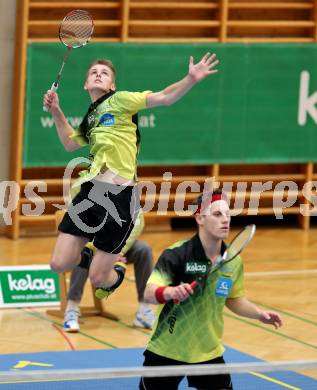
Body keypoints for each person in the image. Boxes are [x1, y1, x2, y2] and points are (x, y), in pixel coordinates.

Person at [43, 52, 219, 300]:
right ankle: (94, 256)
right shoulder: (92, 117)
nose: (98, 74)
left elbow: (165, 97)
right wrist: (56, 110)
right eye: (93, 72)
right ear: (86, 84)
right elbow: (71, 144)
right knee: (58, 264)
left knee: (98, 278)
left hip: (121, 198)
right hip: (91, 192)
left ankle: (116, 271)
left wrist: (190, 78)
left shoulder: (121, 100)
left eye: (104, 73)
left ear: (112, 85)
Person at [139, 190, 283, 390]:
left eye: (227, 214)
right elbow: (148, 293)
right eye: (217, 214)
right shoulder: (177, 254)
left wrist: (259, 314)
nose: (225, 220)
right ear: (200, 218)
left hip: (208, 352)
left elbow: (234, 299)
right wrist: (169, 293)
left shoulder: (233, 261)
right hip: (167, 350)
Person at [63, 211, 155, 332]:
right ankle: (71, 309)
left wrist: (119, 250)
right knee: (82, 251)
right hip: (95, 245)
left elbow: (138, 223)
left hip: (120, 247)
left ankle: (144, 311)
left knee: (144, 250)